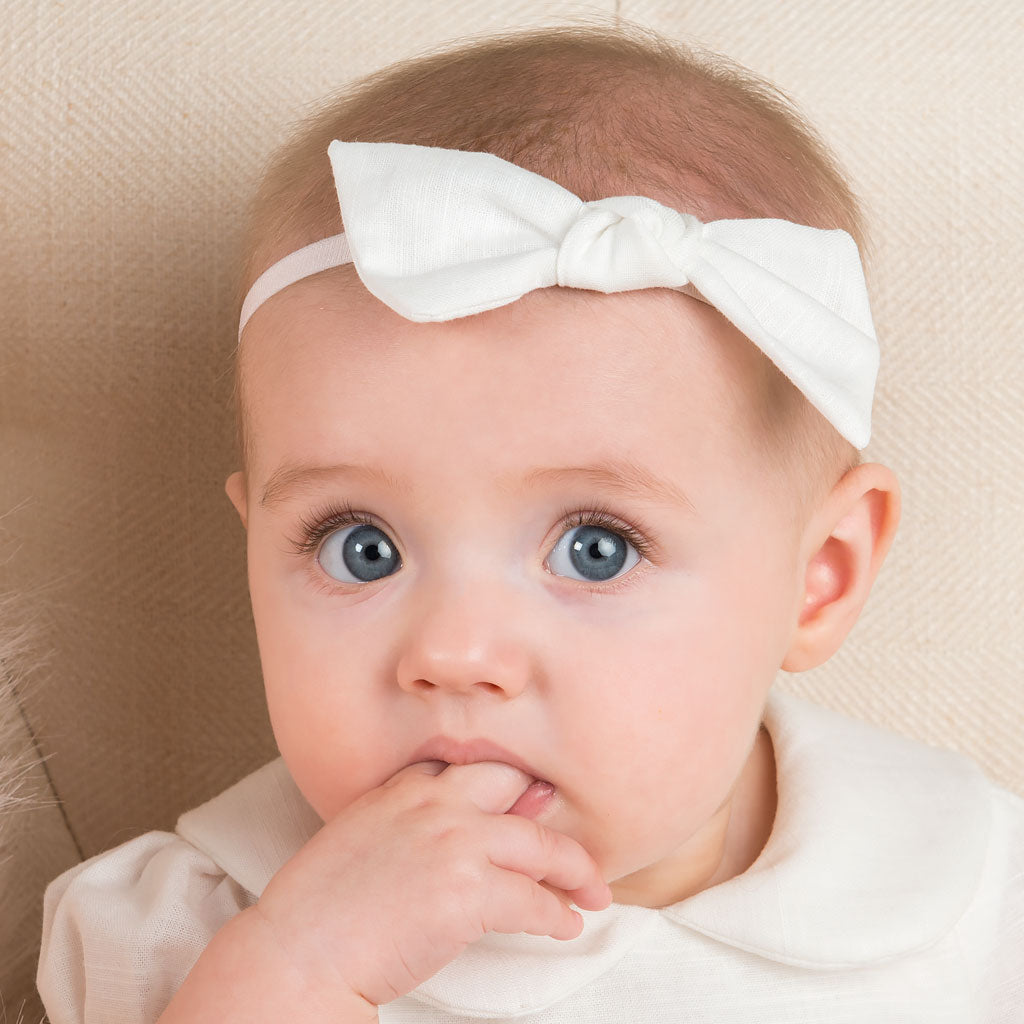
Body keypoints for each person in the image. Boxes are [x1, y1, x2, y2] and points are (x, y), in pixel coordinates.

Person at [35, 17, 1024, 1023]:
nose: (455, 654)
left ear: (820, 575)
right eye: (360, 548)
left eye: (596, 549)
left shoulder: (969, 898)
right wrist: (295, 974)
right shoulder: (179, 934)